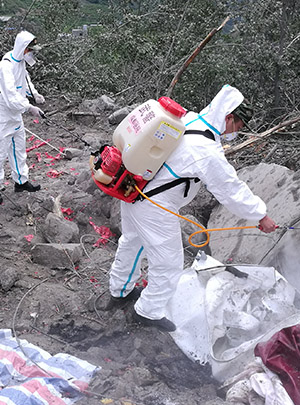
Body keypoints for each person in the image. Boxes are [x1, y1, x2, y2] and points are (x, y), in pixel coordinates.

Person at [103, 85, 278, 331]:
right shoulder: (206, 151)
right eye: (238, 127)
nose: (237, 132)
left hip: (134, 189)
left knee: (132, 242)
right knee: (169, 263)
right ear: (228, 117)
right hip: (155, 205)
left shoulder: (190, 118)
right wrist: (261, 215)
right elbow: (230, 188)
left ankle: (119, 290)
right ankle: (148, 312)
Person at [0, 30, 46, 205]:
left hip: (15, 114)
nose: (32, 53)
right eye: (30, 49)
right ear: (23, 48)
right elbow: (11, 96)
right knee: (0, 150)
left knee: (18, 148)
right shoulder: (5, 66)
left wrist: (35, 94)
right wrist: (29, 107)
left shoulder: (20, 63)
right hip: (2, 114)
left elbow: (25, 82)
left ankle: (21, 181)